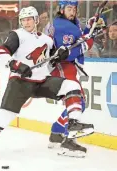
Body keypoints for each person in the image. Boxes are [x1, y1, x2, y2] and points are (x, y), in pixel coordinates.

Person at [0, 6, 87, 158]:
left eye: (29, 19)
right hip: (20, 82)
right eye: (23, 20)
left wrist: (61, 54)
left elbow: (50, 62)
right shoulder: (17, 35)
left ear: (36, 20)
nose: (26, 23)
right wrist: (16, 65)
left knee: (71, 86)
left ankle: (73, 123)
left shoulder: (47, 40)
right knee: (4, 117)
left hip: (41, 81)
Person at [48, 0, 96, 148]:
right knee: (78, 102)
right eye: (69, 8)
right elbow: (70, 53)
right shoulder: (63, 26)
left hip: (65, 67)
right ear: (61, 9)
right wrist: (89, 39)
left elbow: (79, 39)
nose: (72, 11)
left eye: (74, 8)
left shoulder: (70, 24)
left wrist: (89, 28)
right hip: (62, 67)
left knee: (77, 103)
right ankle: (67, 140)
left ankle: (57, 133)